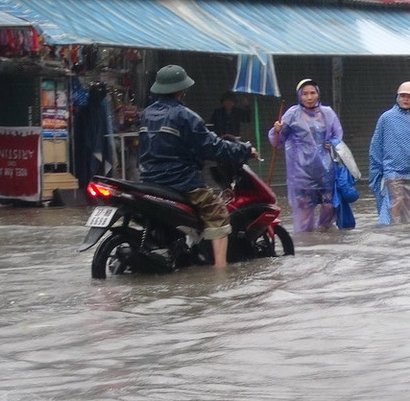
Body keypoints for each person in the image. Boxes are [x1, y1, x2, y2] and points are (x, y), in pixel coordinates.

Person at [138, 65, 255, 269]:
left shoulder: (147, 113)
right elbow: (213, 147)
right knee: (218, 213)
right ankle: (220, 272)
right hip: (181, 183)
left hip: (149, 181)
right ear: (181, 90)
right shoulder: (185, 116)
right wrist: (245, 150)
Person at [269, 79, 344, 233]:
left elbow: (338, 136)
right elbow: (277, 142)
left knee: (329, 208)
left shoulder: (328, 113)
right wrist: (276, 130)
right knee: (305, 218)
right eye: (305, 94)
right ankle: (306, 247)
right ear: (299, 96)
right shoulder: (291, 114)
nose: (309, 97)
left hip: (326, 171)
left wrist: (333, 143)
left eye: (312, 93)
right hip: (302, 173)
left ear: (318, 94)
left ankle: (326, 243)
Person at [369, 81, 410, 225]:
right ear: (397, 97)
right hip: (392, 169)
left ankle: (405, 235)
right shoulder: (386, 118)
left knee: (407, 205)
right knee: (396, 202)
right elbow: (376, 143)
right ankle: (393, 232)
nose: (406, 99)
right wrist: (378, 167)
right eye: (403, 96)